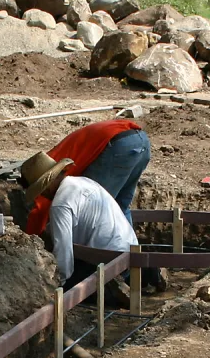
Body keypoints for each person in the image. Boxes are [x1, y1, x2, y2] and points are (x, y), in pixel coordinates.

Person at [20, 151, 137, 292]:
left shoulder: (60, 204)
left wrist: (60, 284)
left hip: (106, 262)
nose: (42, 195)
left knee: (60, 285)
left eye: (41, 191)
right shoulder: (83, 182)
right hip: (131, 254)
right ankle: (145, 275)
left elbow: (63, 252)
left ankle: (111, 291)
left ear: (47, 185)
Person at [19, 117, 150, 237]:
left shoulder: (45, 172)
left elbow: (43, 209)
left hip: (118, 145)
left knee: (95, 207)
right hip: (140, 139)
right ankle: (132, 256)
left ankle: (100, 258)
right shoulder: (51, 160)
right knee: (120, 206)